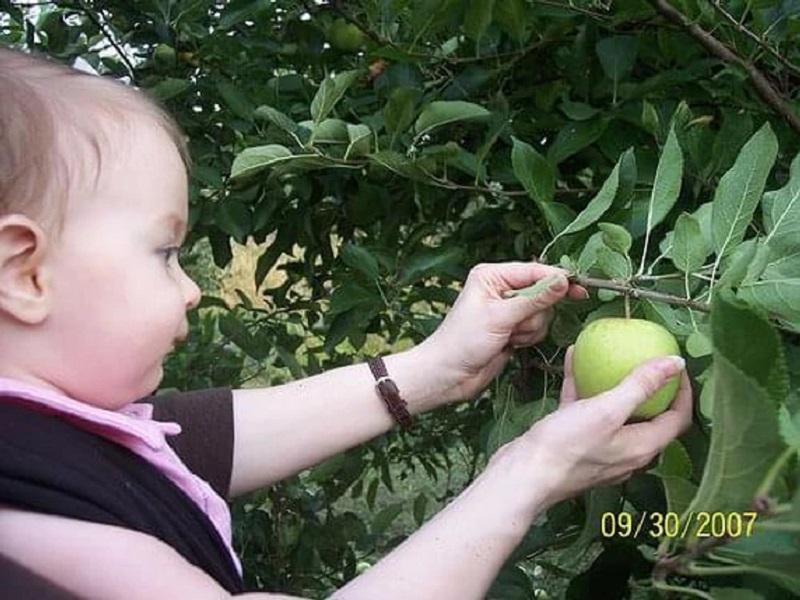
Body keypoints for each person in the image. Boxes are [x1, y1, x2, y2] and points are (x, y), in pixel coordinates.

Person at [0, 45, 693, 599]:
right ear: (24, 273)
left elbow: (195, 440)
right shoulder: (37, 543)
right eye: (165, 251)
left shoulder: (35, 439)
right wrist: (534, 469)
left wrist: (435, 367)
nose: (189, 289)